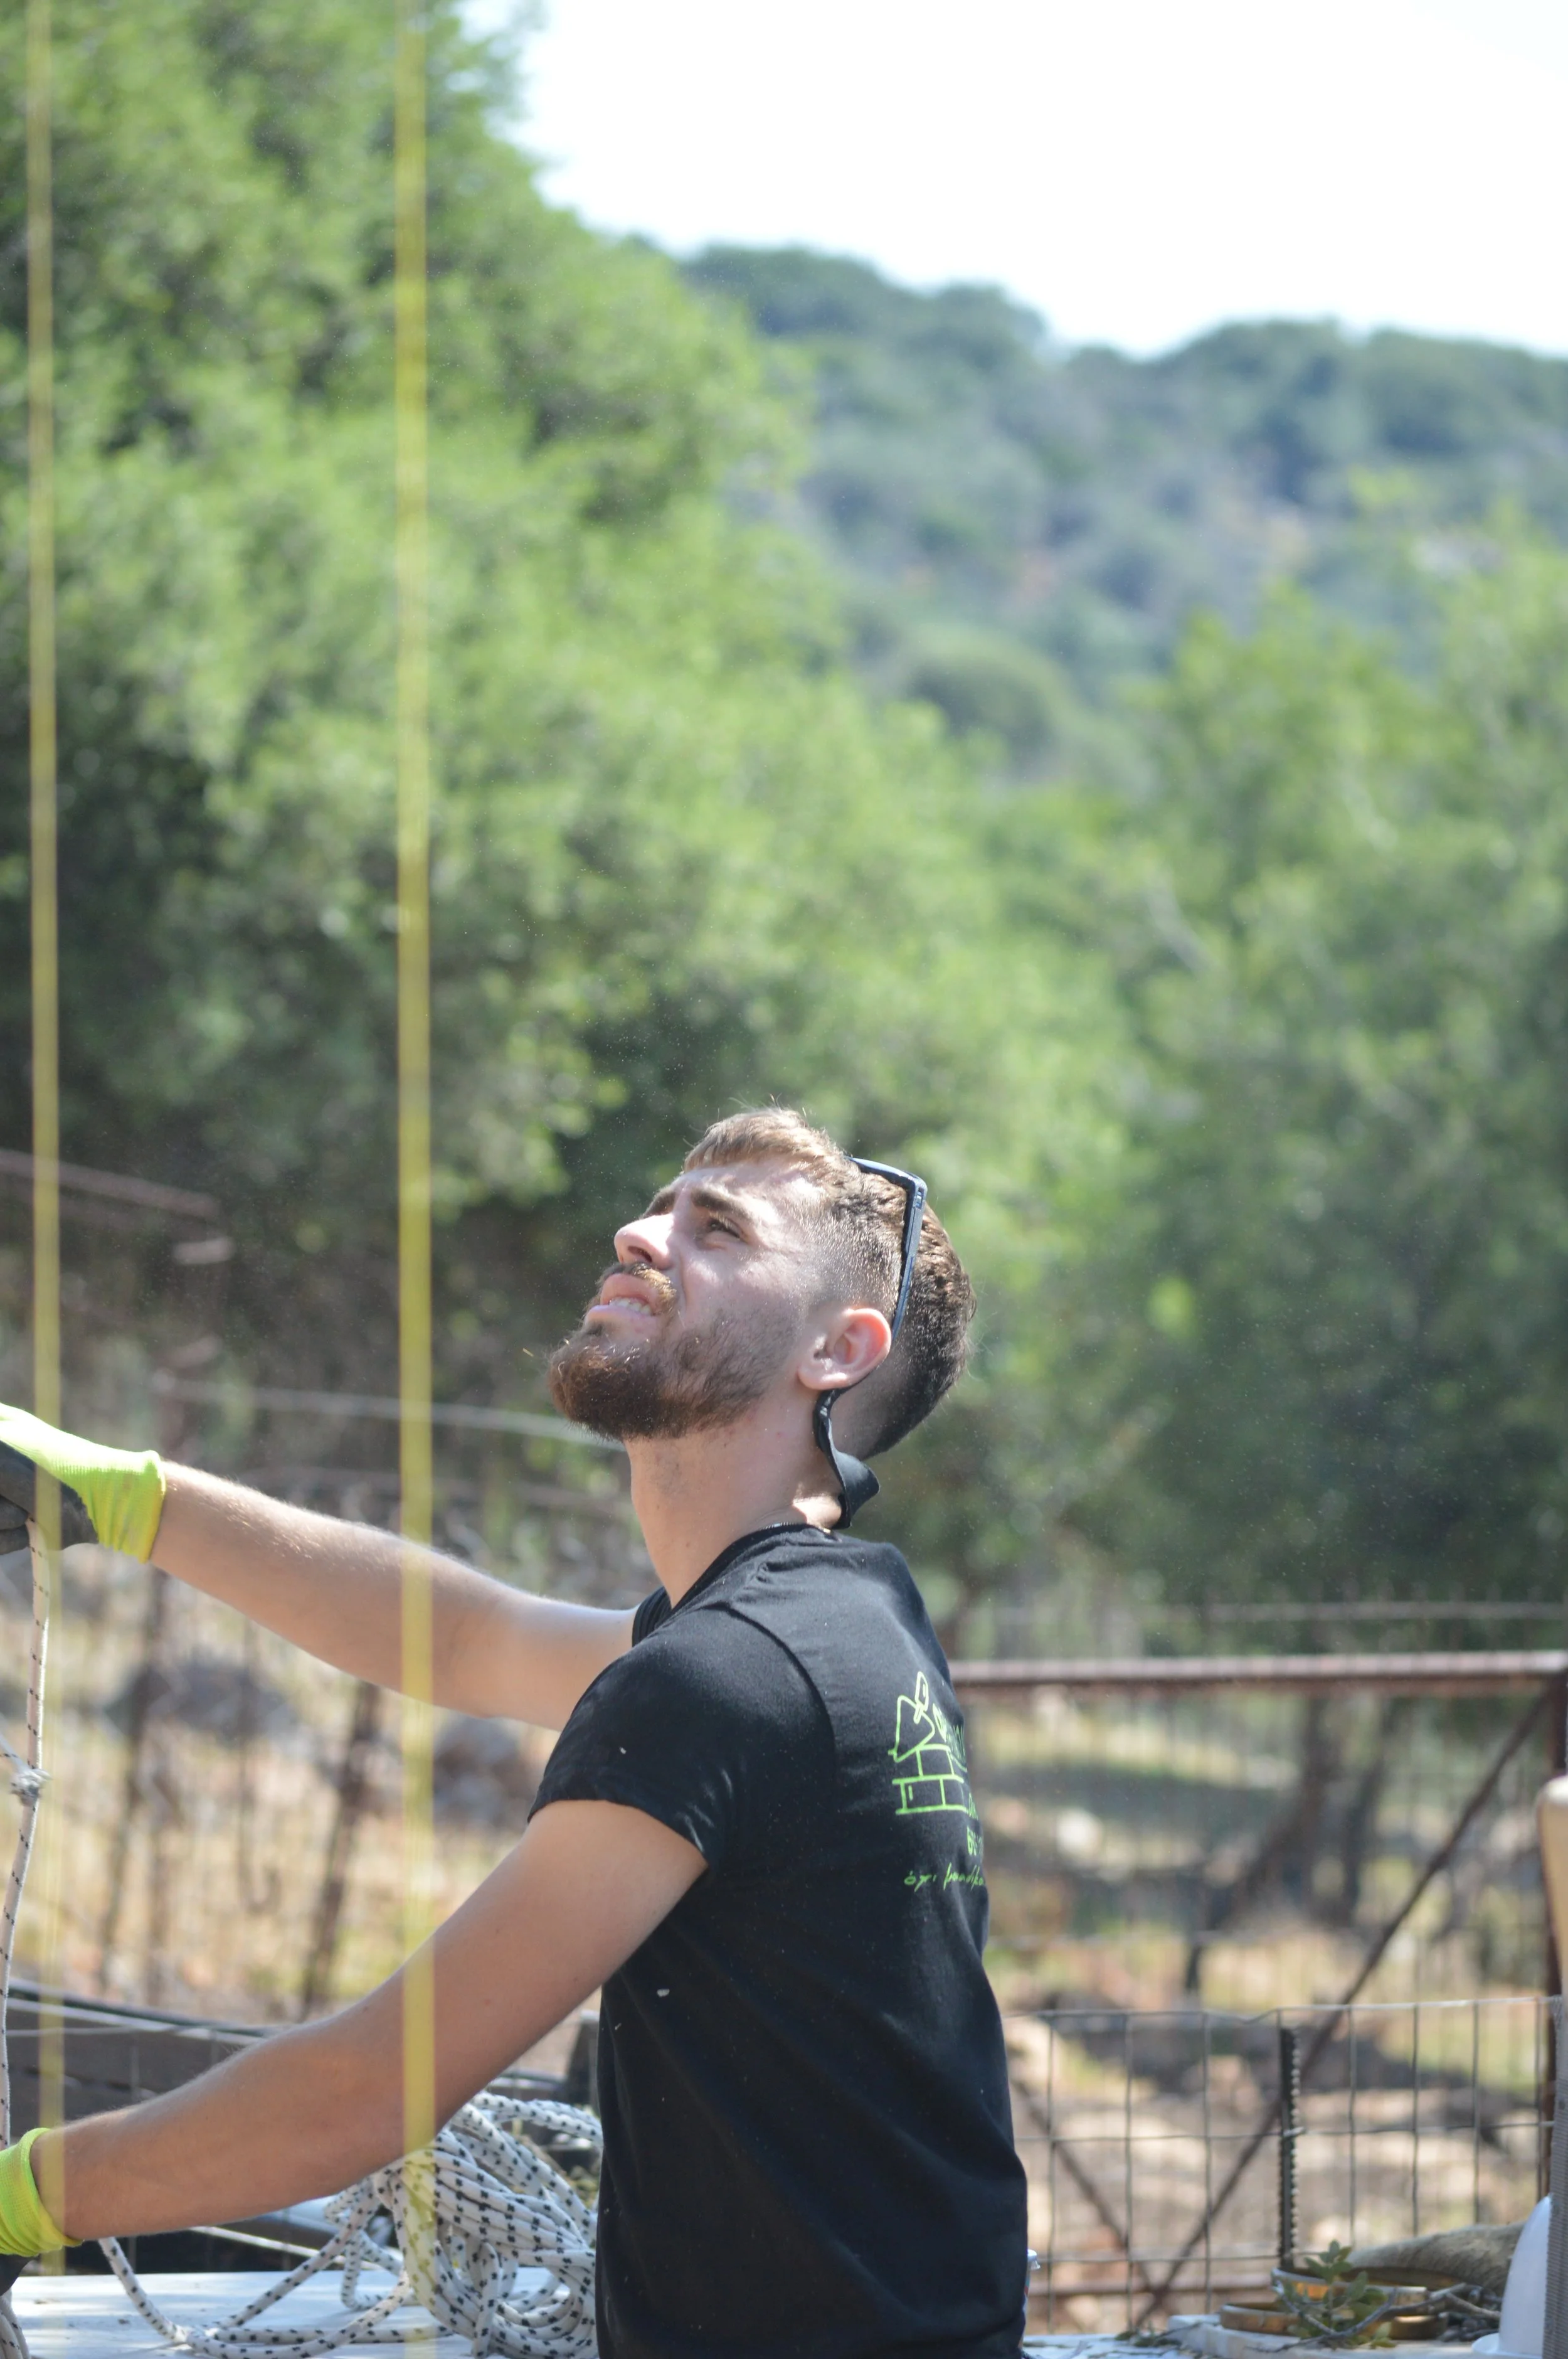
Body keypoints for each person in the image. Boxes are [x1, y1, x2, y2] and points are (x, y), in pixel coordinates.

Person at [0, 1107, 1028, 2358]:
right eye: (660, 1204)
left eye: (717, 1227)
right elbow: (468, 1639)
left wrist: (19, 2197)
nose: (639, 1233)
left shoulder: (729, 1673)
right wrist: (122, 1495)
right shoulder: (837, 1623)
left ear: (836, 1346)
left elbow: (366, 2091)